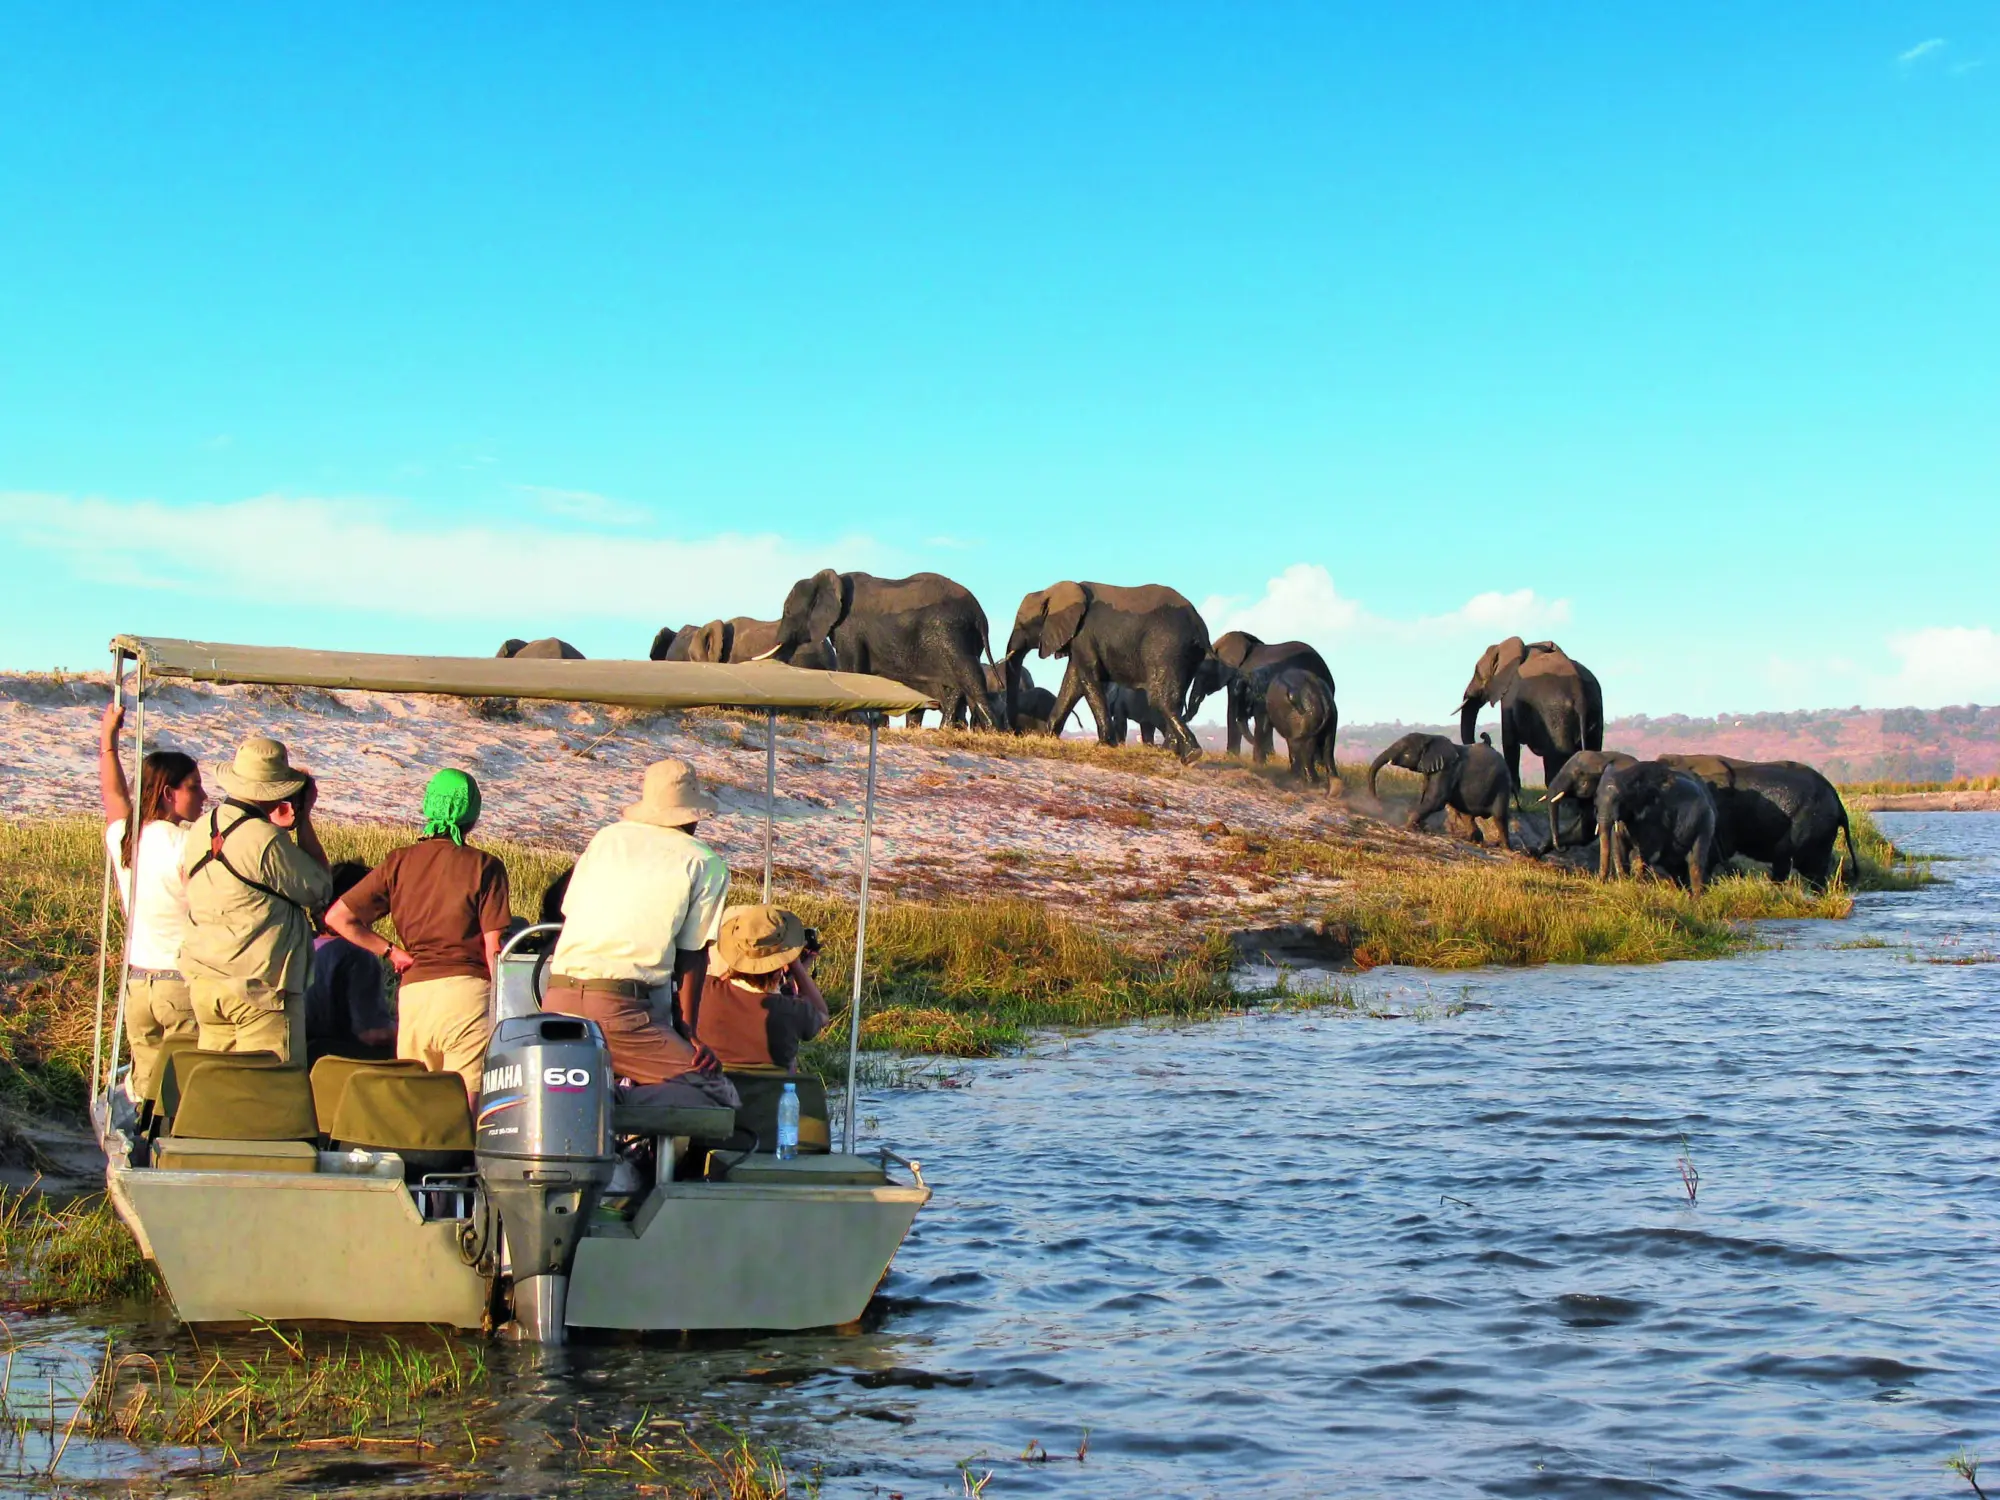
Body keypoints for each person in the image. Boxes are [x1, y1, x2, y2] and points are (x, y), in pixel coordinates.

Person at [544, 759, 738, 1111]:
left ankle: (597, 1106)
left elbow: (570, 910)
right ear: (692, 815)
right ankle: (611, 1104)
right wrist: (688, 1031)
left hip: (557, 998)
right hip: (623, 1012)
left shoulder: (607, 838)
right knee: (715, 1094)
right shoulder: (703, 861)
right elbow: (693, 955)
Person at [326, 769, 510, 1098]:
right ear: (473, 814)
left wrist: (392, 953)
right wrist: (505, 1012)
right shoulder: (486, 866)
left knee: (416, 1101)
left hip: (414, 995)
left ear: (429, 806)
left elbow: (340, 917)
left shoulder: (399, 862)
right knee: (464, 1103)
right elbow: (493, 948)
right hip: (468, 994)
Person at [179, 736, 331, 1062]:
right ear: (278, 789)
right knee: (268, 1095)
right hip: (257, 990)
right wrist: (303, 819)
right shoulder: (266, 839)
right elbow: (320, 886)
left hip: (207, 981)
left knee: (220, 1090)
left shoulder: (202, 826)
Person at [97, 701, 205, 1101]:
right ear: (167, 792)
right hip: (178, 981)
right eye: (193, 786)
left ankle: (139, 1149)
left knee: (146, 1085)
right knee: (184, 1088)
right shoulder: (185, 843)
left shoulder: (126, 836)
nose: (203, 795)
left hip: (138, 983)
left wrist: (108, 741)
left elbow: (112, 793)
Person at [690, 906, 828, 1073]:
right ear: (783, 959)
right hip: (772, 1098)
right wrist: (796, 965)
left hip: (715, 1096)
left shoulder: (703, 993)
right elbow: (822, 1014)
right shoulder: (794, 1012)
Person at [305, 861, 396, 1065]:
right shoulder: (356, 955)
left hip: (306, 1064)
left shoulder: (305, 946)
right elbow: (372, 1034)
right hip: (339, 1068)